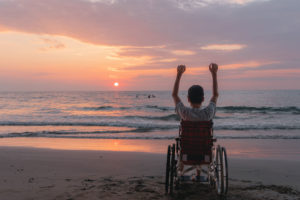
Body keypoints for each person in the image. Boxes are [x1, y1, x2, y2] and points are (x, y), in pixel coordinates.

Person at [171, 63, 219, 181]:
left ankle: (184, 174)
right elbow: (215, 95)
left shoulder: (184, 113)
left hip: (187, 153)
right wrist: (214, 74)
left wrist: (179, 74)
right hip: (205, 154)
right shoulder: (208, 113)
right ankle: (200, 175)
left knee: (185, 145)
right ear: (203, 99)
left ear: (188, 99)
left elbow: (174, 95)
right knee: (204, 144)